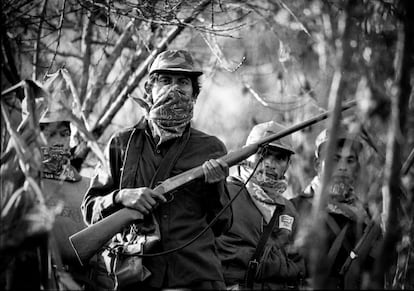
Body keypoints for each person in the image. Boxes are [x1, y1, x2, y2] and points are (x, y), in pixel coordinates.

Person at [81, 49, 232, 290]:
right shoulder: (122, 142)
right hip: (137, 275)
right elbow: (90, 210)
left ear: (194, 92)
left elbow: (223, 224)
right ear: (150, 89)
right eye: (165, 80)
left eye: (183, 81)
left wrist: (214, 187)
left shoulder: (211, 148)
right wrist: (121, 197)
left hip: (195, 275)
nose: (174, 88)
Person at [215, 121, 306, 290]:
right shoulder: (224, 195)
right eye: (263, 154)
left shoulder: (288, 210)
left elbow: (299, 266)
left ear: (288, 164)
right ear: (246, 155)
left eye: (280, 158)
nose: (270, 164)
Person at [291, 123, 382, 289]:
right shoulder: (294, 208)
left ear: (357, 168)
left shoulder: (367, 219)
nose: (343, 167)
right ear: (318, 165)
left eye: (350, 160)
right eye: (334, 159)